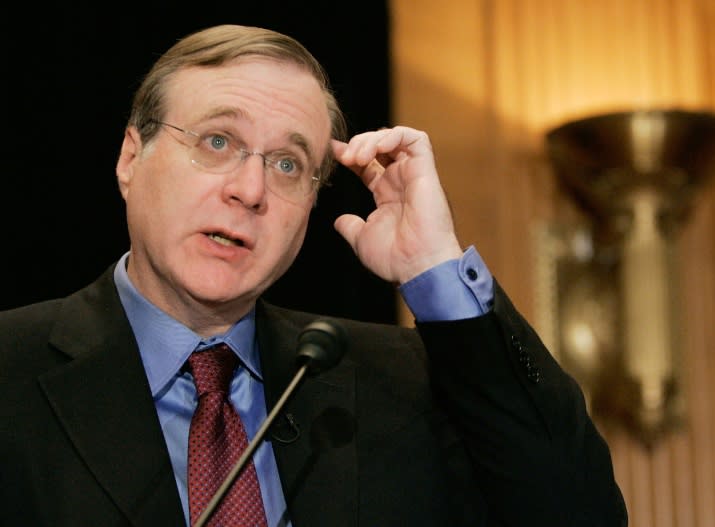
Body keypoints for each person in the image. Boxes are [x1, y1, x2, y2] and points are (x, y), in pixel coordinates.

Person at [0, 24, 627, 527]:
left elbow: (579, 510)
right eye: (218, 142)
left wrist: (434, 266)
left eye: (287, 164)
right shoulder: (12, 368)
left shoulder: (401, 382)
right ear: (131, 159)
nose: (249, 190)